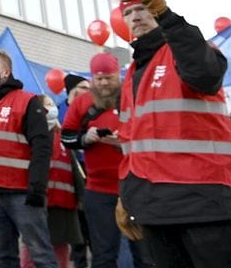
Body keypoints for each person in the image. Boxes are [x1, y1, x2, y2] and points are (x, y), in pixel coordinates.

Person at [114, 0, 231, 267]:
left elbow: (204, 75)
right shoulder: (133, 73)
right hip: (154, 207)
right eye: (128, 12)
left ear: (157, 10)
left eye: (142, 8)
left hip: (204, 204)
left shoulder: (189, 49)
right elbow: (130, 145)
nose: (135, 16)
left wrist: (168, 16)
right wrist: (127, 197)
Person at [0, 49, 56, 268]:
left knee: (40, 254)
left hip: (23, 194)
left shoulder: (27, 102)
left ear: (6, 72)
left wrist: (37, 188)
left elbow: (42, 149)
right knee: (4, 256)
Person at [62, 52, 151, 268]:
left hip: (136, 185)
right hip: (99, 189)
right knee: (103, 254)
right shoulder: (82, 102)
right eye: (98, 79)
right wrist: (86, 138)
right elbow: (67, 137)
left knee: (145, 254)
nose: (103, 83)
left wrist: (125, 143)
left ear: (117, 76)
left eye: (108, 78)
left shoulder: (134, 96)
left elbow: (153, 133)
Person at [20, 96, 82, 268]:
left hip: (63, 205)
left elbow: (74, 169)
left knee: (60, 250)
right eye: (46, 105)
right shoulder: (30, 134)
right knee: (33, 249)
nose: (51, 108)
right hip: (39, 200)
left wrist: (82, 197)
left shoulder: (61, 137)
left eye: (52, 104)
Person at [61, 72, 91, 268]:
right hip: (69, 175)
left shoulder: (91, 109)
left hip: (89, 170)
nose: (89, 92)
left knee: (93, 226)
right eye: (84, 88)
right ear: (73, 90)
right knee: (78, 229)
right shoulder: (58, 111)